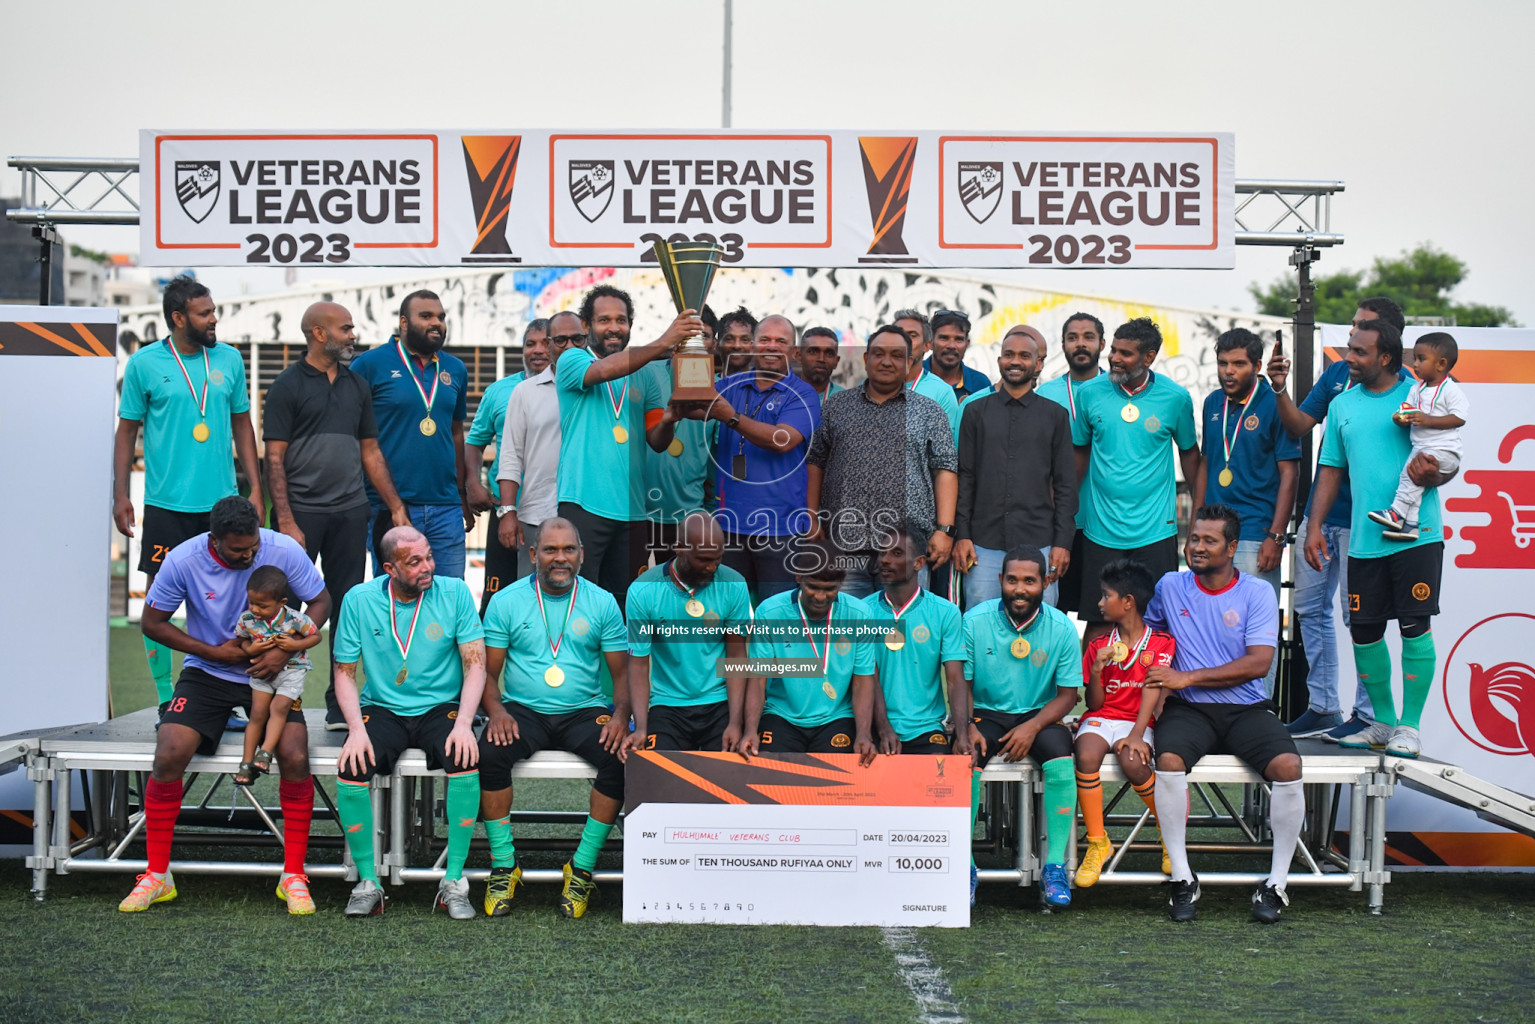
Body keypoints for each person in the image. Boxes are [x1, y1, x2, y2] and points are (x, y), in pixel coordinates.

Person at [119, 496, 328, 915]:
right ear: (214, 540)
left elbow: (321, 602)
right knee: (170, 750)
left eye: (253, 548)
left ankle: (293, 875)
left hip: (273, 670)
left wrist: (282, 655)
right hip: (210, 670)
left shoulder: (283, 549)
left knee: (294, 753)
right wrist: (214, 653)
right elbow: (152, 622)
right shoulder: (183, 560)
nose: (249, 556)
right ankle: (157, 875)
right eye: (238, 551)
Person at [1145, 504, 1301, 923]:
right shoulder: (1170, 586)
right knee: (1169, 761)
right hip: (1189, 709)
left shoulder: (1256, 592)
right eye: (1193, 538)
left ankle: (1276, 885)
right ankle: (1182, 877)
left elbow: (1258, 664)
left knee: (1288, 766)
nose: (1196, 547)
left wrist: (1186, 676)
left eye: (1208, 541)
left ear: (1231, 547)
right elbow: (1152, 637)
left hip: (1246, 707)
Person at [114, 276, 262, 713]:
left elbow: (242, 425)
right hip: (166, 505)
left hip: (222, 507)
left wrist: (253, 487)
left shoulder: (230, 360)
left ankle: (231, 695)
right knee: (158, 602)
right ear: (179, 318)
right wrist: (121, 495)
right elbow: (126, 434)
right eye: (204, 313)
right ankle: (165, 698)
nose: (214, 319)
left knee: (235, 601)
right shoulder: (144, 364)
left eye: (213, 310)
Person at [1267, 297, 1409, 741]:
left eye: (1360, 329)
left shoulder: (1410, 389)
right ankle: (1323, 705)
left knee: (1361, 618)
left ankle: (1367, 715)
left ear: (1384, 341)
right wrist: (1279, 388)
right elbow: (1299, 426)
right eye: (1350, 330)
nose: (1350, 338)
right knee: (1309, 608)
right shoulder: (1337, 375)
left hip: (1366, 520)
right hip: (1321, 512)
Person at [263, 300, 409, 730]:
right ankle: (278, 698)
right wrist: (286, 521)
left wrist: (396, 506)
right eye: (345, 329)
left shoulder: (356, 385)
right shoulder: (286, 385)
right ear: (319, 334)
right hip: (300, 515)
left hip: (350, 512)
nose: (353, 335)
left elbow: (371, 451)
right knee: (283, 607)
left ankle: (336, 703)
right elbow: (274, 459)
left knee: (347, 608)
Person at [1306, 321, 1446, 759]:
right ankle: (1382, 723)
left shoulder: (1419, 398)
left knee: (1413, 626)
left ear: (1386, 358)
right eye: (1349, 349)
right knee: (1365, 632)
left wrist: (1439, 474)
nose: (1349, 358)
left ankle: (1411, 726)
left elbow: (1448, 457)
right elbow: (1330, 468)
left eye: (1359, 352)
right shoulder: (1342, 404)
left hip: (1416, 536)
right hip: (1363, 539)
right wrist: (1314, 526)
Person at [478, 518, 630, 919]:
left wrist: (620, 716)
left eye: (568, 550)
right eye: (550, 550)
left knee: (620, 757)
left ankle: (580, 868)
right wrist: (495, 711)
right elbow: (486, 674)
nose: (559, 558)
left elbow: (623, 675)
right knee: (490, 753)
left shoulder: (602, 602)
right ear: (533, 555)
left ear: (582, 555)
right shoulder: (507, 601)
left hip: (584, 711)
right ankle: (504, 865)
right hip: (522, 711)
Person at [332, 526, 484, 919]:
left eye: (429, 557)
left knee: (465, 758)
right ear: (389, 568)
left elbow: (476, 666)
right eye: (414, 562)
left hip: (441, 708)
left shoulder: (454, 593)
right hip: (382, 708)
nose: (427, 567)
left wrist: (465, 722)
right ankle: (368, 881)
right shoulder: (359, 600)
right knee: (351, 767)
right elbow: (344, 673)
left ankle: (453, 882)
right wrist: (356, 730)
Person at [555, 285, 699, 608]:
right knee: (579, 600)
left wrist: (669, 420)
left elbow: (658, 443)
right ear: (586, 325)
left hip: (633, 511)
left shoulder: (645, 375)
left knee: (625, 603)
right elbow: (604, 370)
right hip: (583, 504)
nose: (614, 328)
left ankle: (619, 661)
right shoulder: (572, 360)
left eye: (622, 320)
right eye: (604, 320)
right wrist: (665, 341)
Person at [963, 549, 1081, 908]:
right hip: (987, 713)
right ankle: (964, 865)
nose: (1019, 588)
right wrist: (966, 723)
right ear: (1000, 581)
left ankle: (1055, 867)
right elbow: (961, 685)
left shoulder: (1061, 627)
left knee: (1061, 763)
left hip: (1040, 714)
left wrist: (1032, 726)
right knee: (966, 759)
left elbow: (1067, 696)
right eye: (1012, 579)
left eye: (1029, 580)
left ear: (1045, 583)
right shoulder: (974, 621)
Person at [1072, 318, 1199, 647]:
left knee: (1156, 620)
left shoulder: (1176, 397)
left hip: (1156, 528)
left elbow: (1190, 456)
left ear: (1149, 357)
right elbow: (1079, 456)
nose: (1114, 358)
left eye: (1125, 353)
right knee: (1099, 619)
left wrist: (1198, 517)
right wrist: (1065, 509)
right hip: (1101, 529)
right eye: (1113, 350)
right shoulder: (1089, 394)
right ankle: (1093, 697)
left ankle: (1154, 697)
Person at [807, 324, 958, 599]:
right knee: (850, 633)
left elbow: (945, 469)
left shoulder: (929, 412)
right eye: (878, 353)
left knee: (902, 631)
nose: (887, 361)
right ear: (866, 359)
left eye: (897, 355)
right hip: (845, 546)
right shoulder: (836, 408)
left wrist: (944, 530)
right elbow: (816, 462)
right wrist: (811, 515)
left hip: (907, 550)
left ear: (910, 362)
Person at [1193, 329, 1299, 696]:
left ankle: (1259, 706)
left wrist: (1276, 535)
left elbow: (1290, 473)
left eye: (1238, 364)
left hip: (1255, 533)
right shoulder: (1211, 403)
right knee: (1213, 622)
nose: (1228, 371)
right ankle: (1215, 707)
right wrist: (1196, 524)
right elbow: (1208, 462)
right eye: (1223, 363)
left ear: (1256, 365)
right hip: (1213, 533)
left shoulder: (1275, 404)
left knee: (1255, 627)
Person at [349, 290, 471, 580]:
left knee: (450, 595)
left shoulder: (455, 369)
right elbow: (354, 437)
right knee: (395, 597)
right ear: (404, 322)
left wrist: (462, 494)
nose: (437, 323)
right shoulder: (369, 365)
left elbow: (456, 434)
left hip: (446, 509)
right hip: (391, 507)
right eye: (426, 316)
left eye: (441, 317)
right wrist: (389, 504)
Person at [953, 326, 1076, 610]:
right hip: (983, 545)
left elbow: (1066, 484)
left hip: (1040, 542)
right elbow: (965, 478)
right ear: (999, 361)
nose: (1015, 361)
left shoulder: (1055, 416)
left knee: (1039, 626)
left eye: (1024, 355)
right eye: (1008, 354)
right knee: (979, 623)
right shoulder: (975, 411)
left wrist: (1063, 543)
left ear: (1037, 363)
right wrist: (962, 536)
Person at [1073, 559, 1172, 889]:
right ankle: (1099, 842)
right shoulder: (1099, 645)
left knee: (1133, 760)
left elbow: (1154, 692)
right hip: (1103, 719)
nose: (1100, 603)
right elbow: (1095, 705)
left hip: (1138, 721)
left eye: (1106, 596)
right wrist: (1098, 672)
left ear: (1128, 602)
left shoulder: (1161, 642)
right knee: (1085, 754)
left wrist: (1135, 735)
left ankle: (1170, 833)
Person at [708, 314, 822, 601]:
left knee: (776, 614)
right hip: (729, 524)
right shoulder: (731, 385)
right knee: (731, 614)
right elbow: (694, 405)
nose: (772, 346)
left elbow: (782, 441)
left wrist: (731, 417)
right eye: (765, 340)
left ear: (793, 352)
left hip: (781, 528)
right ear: (752, 346)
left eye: (781, 341)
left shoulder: (804, 394)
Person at [627, 512, 753, 751]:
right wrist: (642, 727)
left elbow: (736, 656)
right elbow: (639, 664)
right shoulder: (643, 591)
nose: (712, 567)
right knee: (661, 777)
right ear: (680, 548)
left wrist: (736, 723)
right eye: (704, 559)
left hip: (719, 702)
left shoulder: (734, 583)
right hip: (667, 705)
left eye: (718, 559)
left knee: (726, 778)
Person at [739, 539, 877, 758]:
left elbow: (863, 680)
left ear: (841, 582)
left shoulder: (860, 615)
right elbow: (757, 678)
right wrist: (749, 730)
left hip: (837, 717)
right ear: (798, 577)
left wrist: (863, 735)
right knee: (771, 774)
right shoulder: (770, 612)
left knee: (839, 779)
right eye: (812, 587)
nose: (820, 597)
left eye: (829, 590)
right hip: (782, 715)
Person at [465, 319, 550, 611]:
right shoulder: (499, 391)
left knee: (549, 592)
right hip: (507, 509)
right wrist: (473, 483)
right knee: (497, 593)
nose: (538, 351)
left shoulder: (570, 390)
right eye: (530, 344)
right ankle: (490, 656)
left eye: (546, 343)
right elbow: (474, 443)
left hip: (555, 509)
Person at [862, 527, 970, 756]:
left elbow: (954, 679)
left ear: (919, 563)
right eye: (882, 553)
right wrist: (883, 730)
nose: (885, 560)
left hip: (925, 729)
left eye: (897, 553)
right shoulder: (863, 611)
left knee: (939, 781)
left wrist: (962, 735)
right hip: (875, 727)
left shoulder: (945, 612)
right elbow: (867, 678)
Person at [496, 311, 580, 586]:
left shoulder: (598, 386)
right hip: (535, 514)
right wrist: (508, 511)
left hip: (588, 514)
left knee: (584, 597)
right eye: (560, 340)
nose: (568, 346)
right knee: (530, 596)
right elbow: (510, 455)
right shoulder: (525, 391)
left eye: (577, 339)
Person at [1036, 312, 1107, 614]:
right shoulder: (1045, 393)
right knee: (1052, 610)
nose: (1081, 344)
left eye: (1088, 337)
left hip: (1104, 525)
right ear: (1063, 345)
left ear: (1102, 343)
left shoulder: (1116, 391)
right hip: (1056, 525)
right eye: (1072, 337)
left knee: (1102, 613)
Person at [1368, 332, 1467, 542]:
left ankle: (1397, 512)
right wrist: (1399, 419)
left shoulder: (1451, 389)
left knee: (1408, 475)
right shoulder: (1416, 389)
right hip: (1422, 447)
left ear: (1441, 364)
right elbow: (1406, 411)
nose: (1415, 364)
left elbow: (1459, 418)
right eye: (1415, 358)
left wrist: (1428, 420)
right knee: (1414, 480)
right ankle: (1410, 526)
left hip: (1445, 450)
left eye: (1421, 359)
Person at [232, 566, 320, 786]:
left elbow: (316, 636)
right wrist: (249, 649)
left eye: (262, 605)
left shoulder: (295, 618)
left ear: (282, 602)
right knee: (257, 714)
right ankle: (245, 763)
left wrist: (295, 644)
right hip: (263, 674)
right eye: (251, 602)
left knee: (278, 709)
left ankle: (265, 753)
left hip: (291, 672)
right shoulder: (247, 619)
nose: (255, 609)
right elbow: (241, 639)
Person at [894, 308, 962, 439]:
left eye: (912, 335)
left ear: (927, 345)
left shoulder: (942, 393)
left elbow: (946, 455)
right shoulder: (868, 387)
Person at [924, 309, 992, 401]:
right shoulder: (910, 377)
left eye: (958, 339)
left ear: (967, 344)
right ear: (930, 342)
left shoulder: (980, 384)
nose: (951, 346)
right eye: (944, 338)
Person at [798, 326, 845, 403]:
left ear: (836, 361)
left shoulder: (845, 400)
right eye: (813, 352)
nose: (821, 359)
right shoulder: (782, 396)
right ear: (799, 357)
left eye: (829, 353)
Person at [715, 306, 757, 377]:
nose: (737, 346)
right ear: (717, 345)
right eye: (729, 339)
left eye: (745, 340)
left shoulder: (765, 386)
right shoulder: (706, 385)